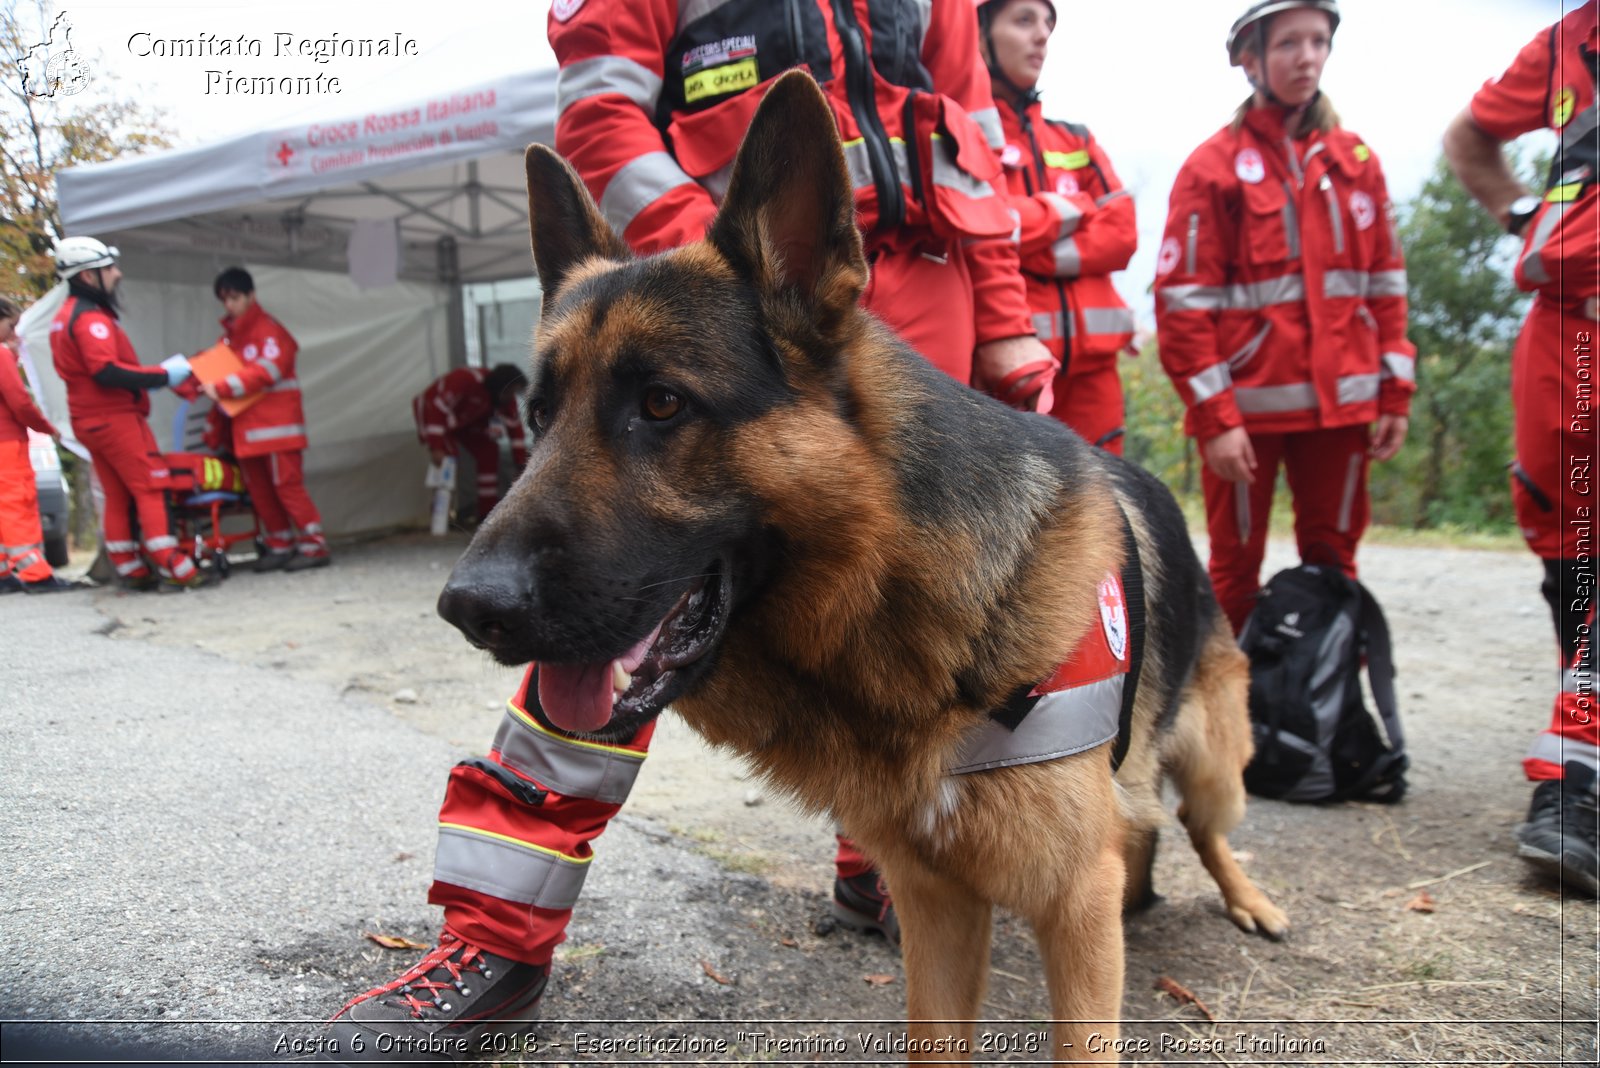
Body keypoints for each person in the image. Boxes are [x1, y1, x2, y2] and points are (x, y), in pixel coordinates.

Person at [330, 0, 1053, 1054]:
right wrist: (707, 279)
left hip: (912, 285)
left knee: (922, 616)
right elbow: (597, 111)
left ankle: (886, 869)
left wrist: (1009, 321)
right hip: (712, 282)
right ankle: (500, 931)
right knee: (598, 595)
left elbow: (971, 137)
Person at [1153, 0, 1413, 636]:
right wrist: (1216, 420)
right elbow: (1183, 303)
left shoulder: (1357, 162)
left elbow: (1385, 287)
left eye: (1319, 41)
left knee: (1334, 563)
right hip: (1247, 417)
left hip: (1344, 411)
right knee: (1234, 570)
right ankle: (1235, 719)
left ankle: (1322, 707)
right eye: (1290, 43)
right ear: (1251, 59)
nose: (1307, 57)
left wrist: (1394, 393)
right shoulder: (1211, 168)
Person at [1441, 0, 1599, 896]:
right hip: (1566, 324)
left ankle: (1573, 784)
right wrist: (1518, 216)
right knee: (1569, 553)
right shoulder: (1567, 41)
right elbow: (1470, 133)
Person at [979, 0, 1138, 452]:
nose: (1043, 34)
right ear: (980, 33)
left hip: (1095, 377)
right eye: (1024, 20)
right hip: (1012, 374)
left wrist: (1027, 242)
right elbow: (981, 229)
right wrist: (1070, 210)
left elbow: (1123, 235)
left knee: (1111, 515)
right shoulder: (966, 136)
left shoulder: (1076, 138)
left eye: (1048, 22)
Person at [46, 237, 212, 591]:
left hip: (90, 421)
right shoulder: (91, 320)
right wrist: (163, 375)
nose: (117, 274)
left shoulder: (64, 318)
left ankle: (131, 567)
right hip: (115, 419)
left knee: (118, 492)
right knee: (151, 486)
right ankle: (175, 568)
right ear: (89, 277)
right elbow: (106, 371)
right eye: (109, 269)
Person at [203, 267, 331, 573]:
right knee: (260, 491)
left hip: (278, 429)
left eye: (235, 297)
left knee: (287, 487)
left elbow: (268, 370)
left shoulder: (269, 330)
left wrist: (219, 386)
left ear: (251, 296)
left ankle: (314, 545)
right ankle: (279, 544)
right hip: (247, 431)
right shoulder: (229, 339)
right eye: (225, 299)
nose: (230, 305)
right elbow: (218, 370)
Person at [0, 296, 74, 593]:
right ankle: (37, 575)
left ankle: (4, 574)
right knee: (17, 504)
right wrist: (48, 427)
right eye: (11, 325)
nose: (14, 333)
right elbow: (19, 401)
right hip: (7, 444)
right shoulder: (1, 355)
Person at [410, 364, 529, 526]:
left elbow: (515, 431)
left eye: (514, 393)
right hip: (436, 418)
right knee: (447, 462)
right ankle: (439, 519)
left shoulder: (506, 400)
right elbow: (435, 407)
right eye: (509, 392)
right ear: (499, 386)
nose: (511, 397)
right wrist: (436, 446)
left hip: (467, 424)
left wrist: (520, 464)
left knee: (489, 452)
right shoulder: (465, 380)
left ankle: (486, 515)